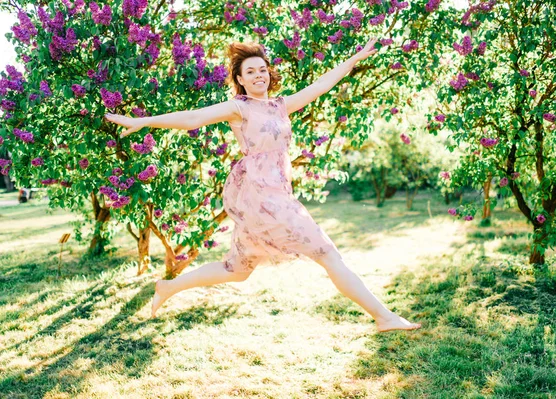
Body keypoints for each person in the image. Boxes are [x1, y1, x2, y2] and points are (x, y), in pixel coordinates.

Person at [104, 38, 421, 332]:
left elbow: (322, 84)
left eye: (262, 70)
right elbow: (193, 119)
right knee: (328, 254)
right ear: (240, 79)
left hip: (274, 194)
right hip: (263, 196)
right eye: (250, 71)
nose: (258, 75)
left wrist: (354, 58)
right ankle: (384, 317)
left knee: (237, 270)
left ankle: (169, 287)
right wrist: (143, 121)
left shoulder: (282, 105)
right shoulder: (239, 108)